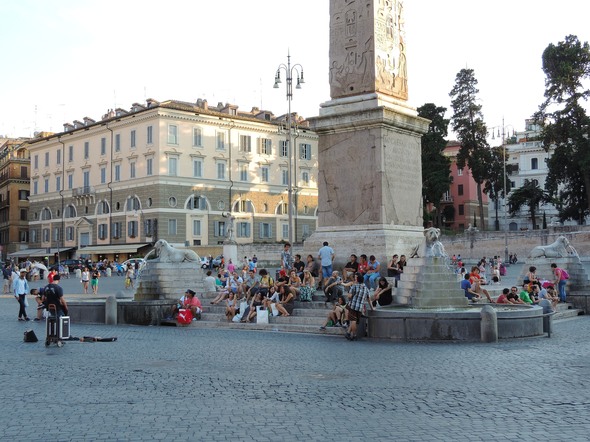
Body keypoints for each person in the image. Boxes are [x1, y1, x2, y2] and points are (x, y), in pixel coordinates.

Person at [344, 273, 373, 340]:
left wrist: (349, 294)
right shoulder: (366, 288)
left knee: (353, 321)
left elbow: (349, 296)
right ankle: (348, 333)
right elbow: (369, 300)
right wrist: (372, 308)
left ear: (357, 279)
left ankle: (354, 335)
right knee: (356, 321)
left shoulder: (354, 286)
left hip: (353, 306)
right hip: (360, 307)